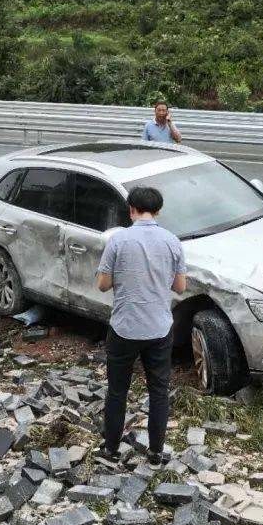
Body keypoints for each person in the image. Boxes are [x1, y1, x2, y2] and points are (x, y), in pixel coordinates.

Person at [96, 186, 186, 466]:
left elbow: (102, 285)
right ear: (158, 211)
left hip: (124, 327)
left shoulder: (119, 241)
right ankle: (156, 453)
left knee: (117, 391)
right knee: (158, 391)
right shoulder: (172, 242)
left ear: (131, 209)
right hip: (159, 328)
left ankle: (111, 449)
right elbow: (180, 287)